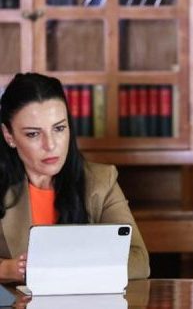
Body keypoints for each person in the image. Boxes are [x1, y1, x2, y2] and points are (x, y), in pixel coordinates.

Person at [0, 73, 150, 282]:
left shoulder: (100, 181)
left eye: (59, 128)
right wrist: (5, 270)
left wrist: (61, 267)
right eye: (33, 134)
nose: (50, 145)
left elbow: (139, 261)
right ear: (9, 136)